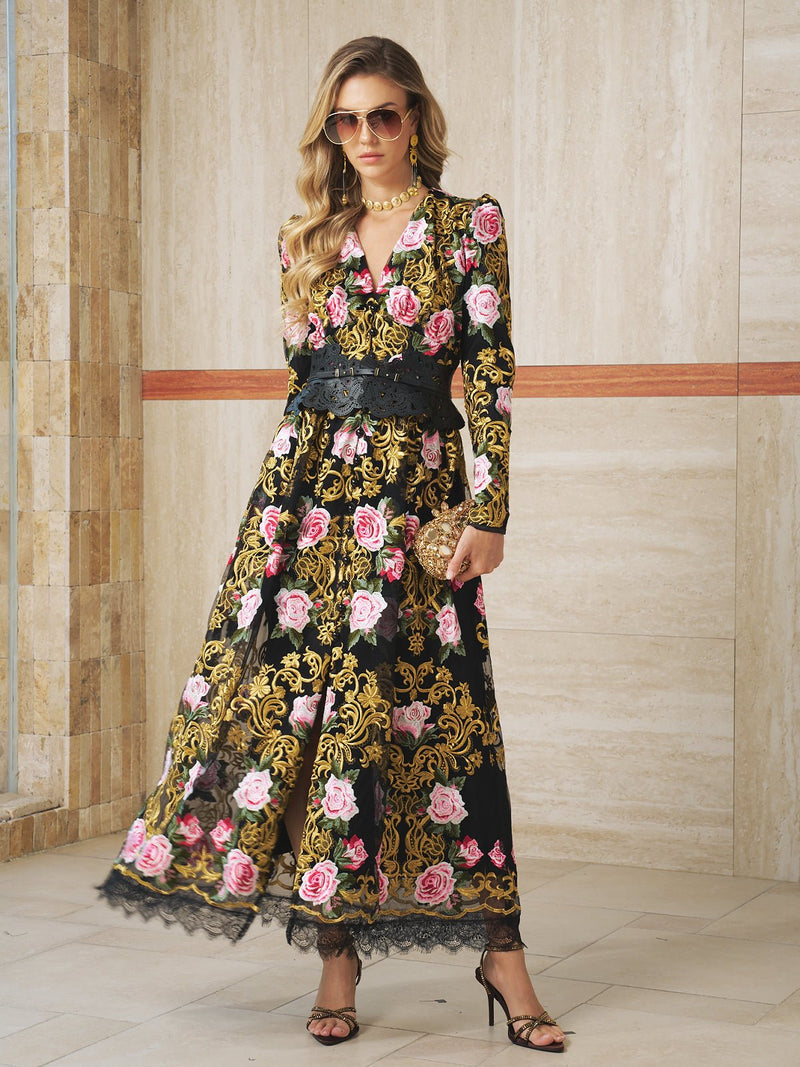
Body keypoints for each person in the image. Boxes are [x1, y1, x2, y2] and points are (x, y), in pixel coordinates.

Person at [100, 35, 568, 1054]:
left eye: (383, 115)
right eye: (346, 120)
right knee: (309, 724)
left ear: (416, 119)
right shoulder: (305, 236)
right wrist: (275, 520)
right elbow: (300, 379)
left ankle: (502, 953)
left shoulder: (469, 224)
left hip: (413, 504)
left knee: (445, 717)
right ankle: (335, 956)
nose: (365, 136)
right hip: (305, 504)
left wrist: (490, 512)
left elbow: (489, 374)